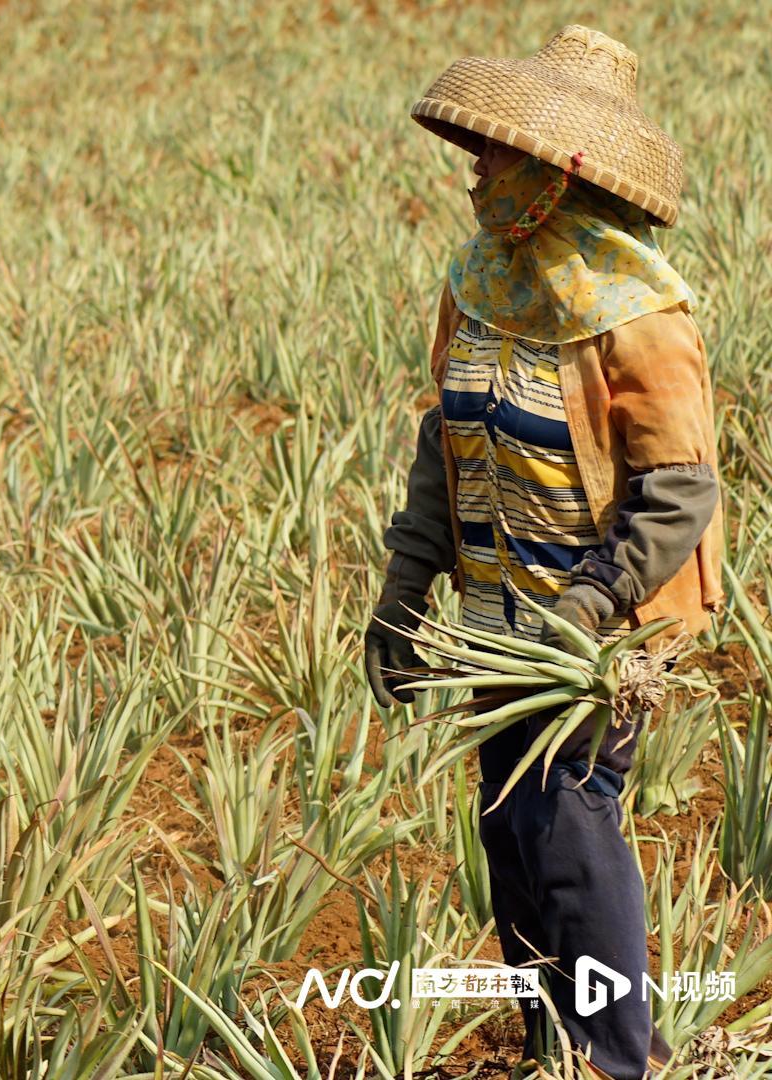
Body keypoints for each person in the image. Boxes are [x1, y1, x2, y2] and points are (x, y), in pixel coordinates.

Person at [364, 26, 723, 1079]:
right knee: (512, 839)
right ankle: (551, 1047)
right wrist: (404, 587)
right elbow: (447, 439)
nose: (477, 173)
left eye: (496, 155)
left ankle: (620, 1060)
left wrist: (592, 603)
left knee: (569, 828)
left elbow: (677, 492)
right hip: (496, 617)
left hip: (593, 628)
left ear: (556, 173)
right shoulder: (477, 280)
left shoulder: (639, 314)